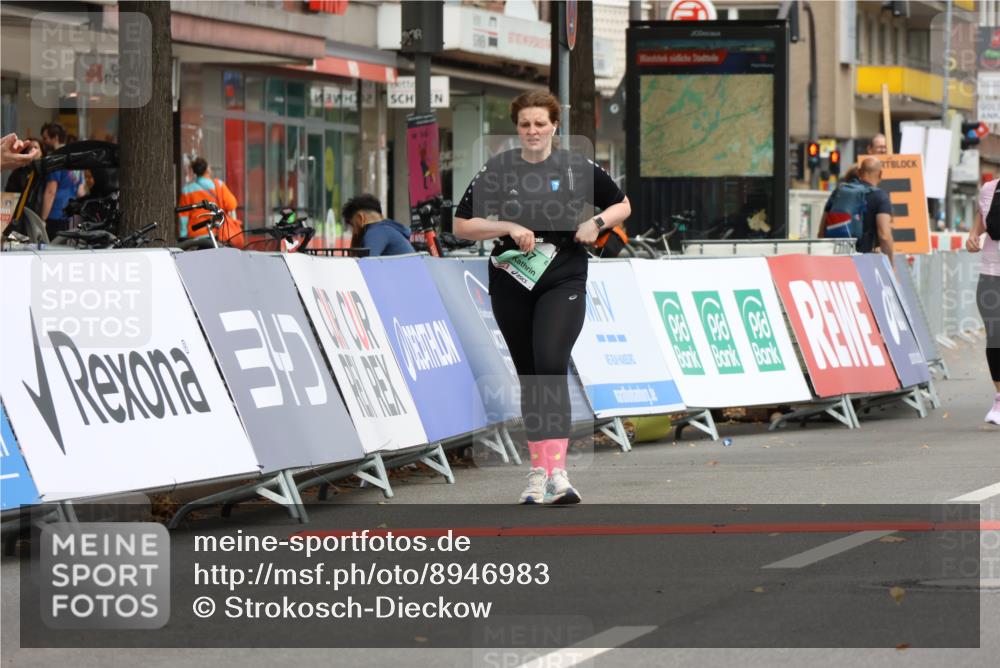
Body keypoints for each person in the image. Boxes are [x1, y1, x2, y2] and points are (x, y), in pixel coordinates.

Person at [453, 89, 631, 505]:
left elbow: (622, 204)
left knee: (551, 363)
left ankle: (560, 475)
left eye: (540, 123)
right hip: (512, 278)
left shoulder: (575, 167)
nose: (532, 131)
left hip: (563, 277)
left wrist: (597, 221)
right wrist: (508, 227)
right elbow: (462, 225)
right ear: (517, 128)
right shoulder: (500, 169)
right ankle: (538, 473)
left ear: (555, 126)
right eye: (524, 124)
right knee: (531, 375)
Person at [966, 178, 1000, 425]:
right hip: (991, 274)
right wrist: (972, 236)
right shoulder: (990, 189)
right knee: (996, 336)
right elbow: (982, 221)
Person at [819, 157, 893, 264]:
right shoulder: (880, 196)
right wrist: (891, 265)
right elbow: (884, 235)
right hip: (866, 261)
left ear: (859, 172)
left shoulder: (839, 191)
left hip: (837, 260)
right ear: (880, 174)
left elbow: (822, 231)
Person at [177, 157, 241, 244]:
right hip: (216, 233)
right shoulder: (219, 185)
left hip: (195, 235)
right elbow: (232, 205)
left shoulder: (187, 190)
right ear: (207, 170)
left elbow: (183, 217)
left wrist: (183, 236)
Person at [38, 123, 84, 239]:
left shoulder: (55, 159)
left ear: (55, 138)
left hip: (55, 214)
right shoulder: (76, 158)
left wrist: (42, 219)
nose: (43, 142)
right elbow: (80, 191)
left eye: (45, 138)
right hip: (71, 215)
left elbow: (50, 191)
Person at [341, 194, 415, 256]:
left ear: (360, 217)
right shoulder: (386, 229)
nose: (354, 232)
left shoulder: (375, 232)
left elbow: (366, 266)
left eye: (353, 225)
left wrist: (356, 238)